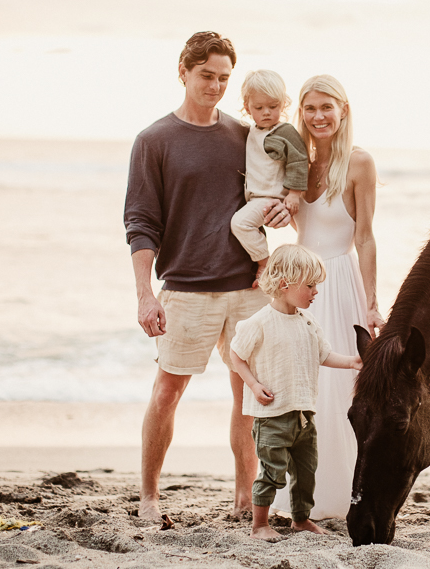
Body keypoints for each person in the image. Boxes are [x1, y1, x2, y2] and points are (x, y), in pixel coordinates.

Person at [123, 31, 289, 521]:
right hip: (186, 290)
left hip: (248, 289)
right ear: (183, 71)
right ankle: (150, 496)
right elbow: (140, 222)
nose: (215, 86)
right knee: (168, 391)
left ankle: (244, 498)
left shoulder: (245, 136)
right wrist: (144, 294)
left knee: (250, 397)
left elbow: (269, 191)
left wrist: (281, 210)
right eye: (206, 76)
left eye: (223, 78)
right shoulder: (154, 141)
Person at [271, 74, 385, 520]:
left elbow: (367, 237)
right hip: (297, 285)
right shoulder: (295, 162)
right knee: (299, 385)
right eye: (309, 108)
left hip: (338, 282)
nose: (318, 117)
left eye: (326, 107)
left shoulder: (359, 163)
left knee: (341, 389)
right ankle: (296, 495)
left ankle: (340, 497)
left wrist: (372, 302)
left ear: (343, 110)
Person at [230, 244, 363, 540]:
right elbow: (236, 355)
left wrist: (352, 362)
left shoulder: (308, 322)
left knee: (305, 473)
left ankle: (300, 519)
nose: (316, 292)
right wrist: (253, 384)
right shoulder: (260, 322)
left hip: (304, 415)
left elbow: (323, 354)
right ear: (284, 284)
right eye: (311, 285)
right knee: (271, 472)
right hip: (272, 416)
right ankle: (259, 525)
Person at [230, 70, 308, 286]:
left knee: (240, 224)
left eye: (273, 107)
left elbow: (299, 159)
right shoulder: (252, 131)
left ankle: (265, 262)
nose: (266, 113)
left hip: (270, 198)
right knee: (244, 223)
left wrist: (294, 193)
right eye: (259, 107)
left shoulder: (284, 132)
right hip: (254, 197)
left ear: (283, 104)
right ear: (247, 108)